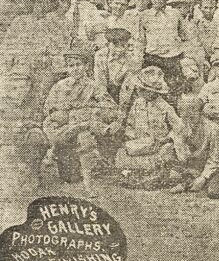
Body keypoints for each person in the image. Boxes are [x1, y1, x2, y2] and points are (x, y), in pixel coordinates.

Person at [43, 45, 119, 196]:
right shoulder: (60, 86)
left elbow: (111, 107)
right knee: (70, 176)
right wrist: (65, 109)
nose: (75, 69)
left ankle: (88, 186)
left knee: (85, 136)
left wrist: (89, 106)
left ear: (86, 66)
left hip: (81, 132)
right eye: (71, 66)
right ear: (67, 68)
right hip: (61, 129)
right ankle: (55, 150)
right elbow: (48, 109)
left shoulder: (93, 86)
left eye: (79, 65)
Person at [115, 66, 190, 190]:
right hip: (141, 145)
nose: (140, 91)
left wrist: (166, 139)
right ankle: (136, 175)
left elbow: (180, 128)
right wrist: (130, 138)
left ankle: (152, 176)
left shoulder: (165, 107)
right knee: (122, 153)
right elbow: (131, 124)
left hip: (159, 145)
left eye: (145, 90)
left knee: (164, 155)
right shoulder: (138, 103)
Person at [139, 0, 191, 107]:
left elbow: (185, 37)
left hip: (173, 60)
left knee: (174, 93)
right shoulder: (144, 16)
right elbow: (140, 41)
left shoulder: (175, 14)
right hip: (153, 59)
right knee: (152, 93)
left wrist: (184, 57)